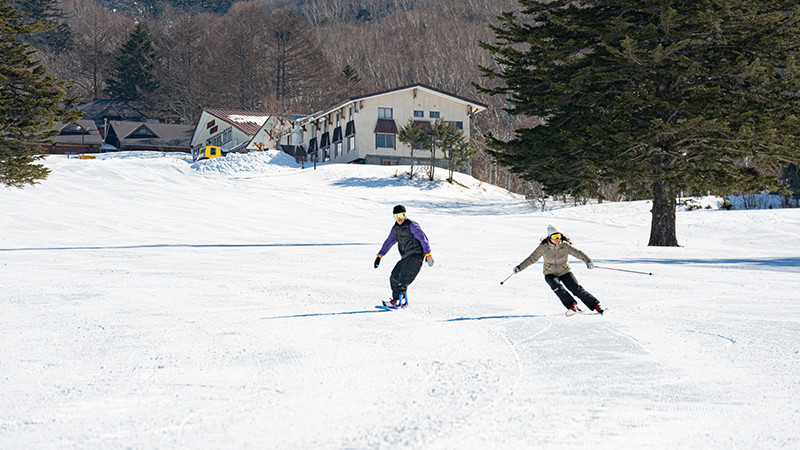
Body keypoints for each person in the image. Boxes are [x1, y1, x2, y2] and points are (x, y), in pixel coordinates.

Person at [513, 224, 604, 315]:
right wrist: (519, 267)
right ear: (549, 237)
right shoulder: (543, 248)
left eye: (559, 236)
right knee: (557, 287)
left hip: (565, 271)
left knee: (576, 289)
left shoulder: (565, 246)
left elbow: (578, 253)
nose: (557, 239)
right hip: (550, 273)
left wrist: (588, 261)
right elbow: (531, 258)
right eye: (554, 236)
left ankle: (596, 305)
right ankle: (572, 306)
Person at [374, 205, 433, 308]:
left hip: (416, 255)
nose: (399, 218)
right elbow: (389, 242)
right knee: (394, 276)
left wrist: (428, 254)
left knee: (404, 279)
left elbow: (423, 238)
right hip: (406, 256)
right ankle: (401, 299)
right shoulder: (395, 229)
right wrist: (380, 255)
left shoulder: (412, 225)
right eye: (396, 216)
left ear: (405, 215)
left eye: (402, 215)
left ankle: (397, 301)